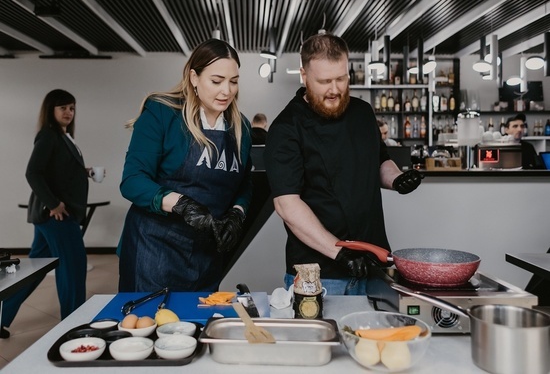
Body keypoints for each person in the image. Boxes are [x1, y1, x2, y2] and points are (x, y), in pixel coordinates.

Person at [264, 33, 422, 295]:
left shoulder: (362, 112)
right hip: (320, 276)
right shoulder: (286, 128)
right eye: (324, 81)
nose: (335, 89)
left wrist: (396, 179)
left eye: (341, 78)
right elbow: (287, 204)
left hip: (374, 264)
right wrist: (340, 253)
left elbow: (379, 159)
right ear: (303, 75)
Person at [118, 38, 253, 293]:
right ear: (194, 77)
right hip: (154, 248)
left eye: (233, 81)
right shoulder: (163, 113)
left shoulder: (240, 127)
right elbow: (132, 180)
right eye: (216, 81)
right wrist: (181, 204)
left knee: (197, 324)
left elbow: (244, 182)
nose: (226, 91)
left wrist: (237, 212)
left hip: (207, 252)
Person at [1, 89, 90, 339]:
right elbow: (33, 173)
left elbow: (57, 171)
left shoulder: (63, 137)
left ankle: (1, 315)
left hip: (51, 218)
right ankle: (73, 328)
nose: (68, 113)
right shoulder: (48, 136)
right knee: (73, 267)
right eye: (62, 107)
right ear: (50, 110)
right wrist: (54, 204)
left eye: (71, 108)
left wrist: (83, 172)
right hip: (57, 217)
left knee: (35, 269)